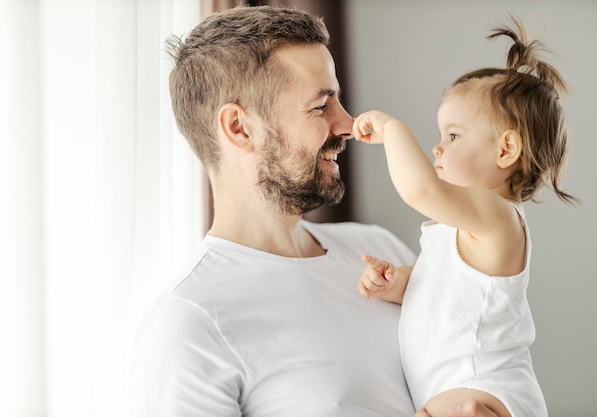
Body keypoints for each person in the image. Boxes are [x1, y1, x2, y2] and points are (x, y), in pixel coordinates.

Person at [130, 5, 511, 416]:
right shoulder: (189, 324)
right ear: (239, 128)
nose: (348, 124)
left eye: (339, 101)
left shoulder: (379, 251)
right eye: (320, 105)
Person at [353, 16, 578, 417]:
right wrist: (399, 282)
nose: (437, 149)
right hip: (458, 395)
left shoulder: (498, 218)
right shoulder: (461, 227)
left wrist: (392, 130)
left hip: (485, 393)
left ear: (506, 150)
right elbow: (444, 289)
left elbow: (419, 189)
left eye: (452, 136)